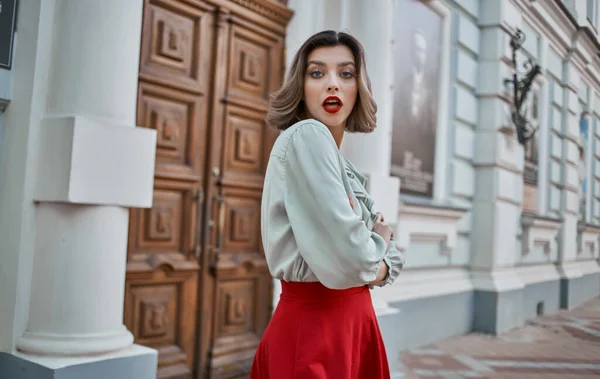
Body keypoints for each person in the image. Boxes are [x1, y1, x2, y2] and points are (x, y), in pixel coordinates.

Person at [251, 30, 405, 379]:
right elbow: (355, 257)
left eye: (346, 74)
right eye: (317, 73)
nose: (332, 84)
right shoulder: (308, 135)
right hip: (319, 328)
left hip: (346, 325)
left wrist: (375, 253)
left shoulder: (342, 164)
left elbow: (378, 252)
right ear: (301, 87)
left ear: (358, 88)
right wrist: (378, 259)